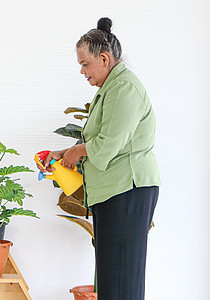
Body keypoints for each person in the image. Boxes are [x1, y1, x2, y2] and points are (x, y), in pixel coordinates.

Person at [39, 18, 161, 300]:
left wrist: (76, 152)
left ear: (104, 58)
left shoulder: (124, 88)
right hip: (114, 191)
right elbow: (98, 141)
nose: (82, 71)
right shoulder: (111, 89)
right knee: (113, 280)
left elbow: (107, 146)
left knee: (120, 282)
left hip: (127, 190)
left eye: (85, 64)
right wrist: (62, 154)